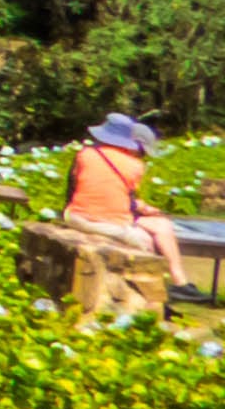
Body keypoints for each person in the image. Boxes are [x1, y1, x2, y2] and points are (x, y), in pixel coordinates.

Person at [64, 113, 193, 291]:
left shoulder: (84, 154)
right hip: (107, 222)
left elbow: (78, 189)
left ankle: (178, 283)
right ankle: (170, 288)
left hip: (77, 216)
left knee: (161, 226)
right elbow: (122, 199)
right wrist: (142, 207)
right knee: (148, 240)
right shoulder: (135, 166)